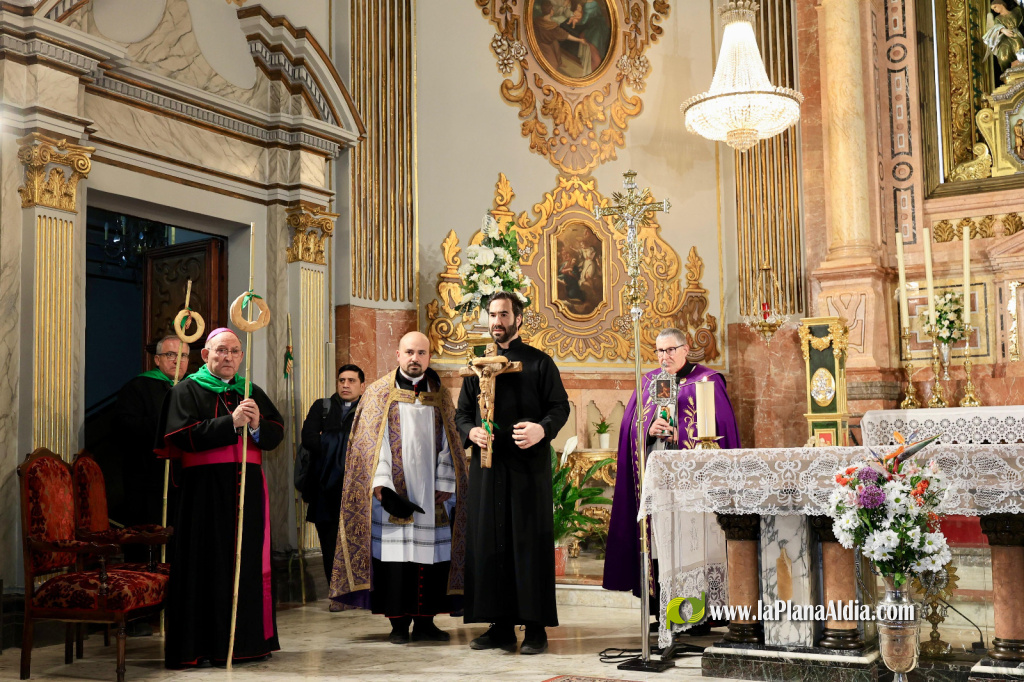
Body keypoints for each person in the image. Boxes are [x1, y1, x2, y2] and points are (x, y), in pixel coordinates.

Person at [156, 327, 284, 669]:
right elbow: (180, 435)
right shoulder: (186, 389)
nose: (228, 357)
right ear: (206, 355)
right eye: (221, 351)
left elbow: (276, 432)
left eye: (235, 351)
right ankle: (203, 646)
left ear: (241, 356)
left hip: (249, 490)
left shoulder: (250, 390)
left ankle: (248, 643)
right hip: (204, 493)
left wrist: (257, 426)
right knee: (206, 564)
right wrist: (231, 422)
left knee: (247, 565)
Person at [329, 332, 469, 645]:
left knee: (432, 560)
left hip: (432, 493)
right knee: (394, 563)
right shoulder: (379, 392)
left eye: (421, 353)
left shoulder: (441, 394)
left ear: (429, 357)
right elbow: (370, 445)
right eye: (409, 352)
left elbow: (452, 443)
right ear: (397, 354)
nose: (415, 358)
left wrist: (446, 481)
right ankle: (397, 624)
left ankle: (426, 622)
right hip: (393, 495)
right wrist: (382, 488)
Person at [602, 328, 740, 634]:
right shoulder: (650, 381)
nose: (664, 357)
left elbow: (721, 432)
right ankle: (662, 610)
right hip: (659, 479)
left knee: (693, 546)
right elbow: (630, 428)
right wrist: (649, 428)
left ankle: (697, 616)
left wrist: (682, 436)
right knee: (659, 546)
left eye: (670, 350)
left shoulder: (708, 381)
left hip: (694, 484)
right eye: (660, 351)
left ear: (686, 348)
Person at [456, 291, 571, 655]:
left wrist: (541, 429)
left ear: (518, 320)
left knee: (528, 543)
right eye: (492, 315)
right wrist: (470, 431)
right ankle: (499, 625)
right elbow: (462, 414)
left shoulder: (539, 363)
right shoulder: (477, 366)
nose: (497, 322)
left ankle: (535, 627)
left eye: (504, 314)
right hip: (489, 469)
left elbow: (559, 406)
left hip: (526, 469)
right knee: (490, 543)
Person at [115, 335, 189, 530]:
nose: (177, 360)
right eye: (170, 354)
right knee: (148, 532)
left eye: (183, 356)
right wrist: (164, 422)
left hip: (185, 476)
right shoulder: (137, 387)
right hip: (147, 476)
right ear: (157, 360)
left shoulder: (194, 389)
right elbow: (124, 427)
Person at [300, 363, 366, 585]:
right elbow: (308, 438)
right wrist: (345, 442)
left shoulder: (368, 410)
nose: (345, 385)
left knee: (358, 540)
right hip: (324, 488)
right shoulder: (323, 407)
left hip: (356, 488)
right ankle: (335, 591)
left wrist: (328, 437)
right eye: (341, 380)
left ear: (362, 385)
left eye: (351, 381)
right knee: (329, 542)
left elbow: (369, 445)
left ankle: (359, 590)